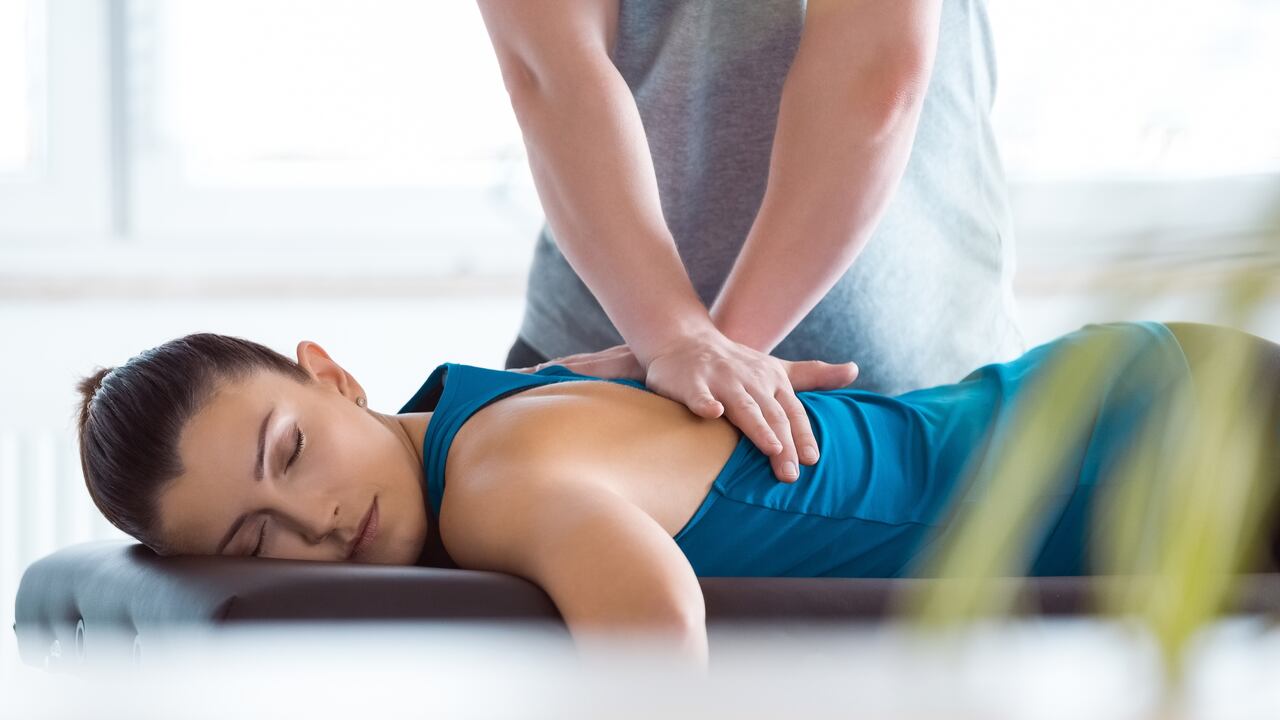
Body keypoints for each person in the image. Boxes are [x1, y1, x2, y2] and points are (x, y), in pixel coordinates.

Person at [74, 321, 1280, 667]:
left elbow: (652, 633)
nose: (315, 524)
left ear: (331, 374)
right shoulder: (490, 402)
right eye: (253, 537)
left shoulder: (495, 477)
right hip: (1115, 399)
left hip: (1142, 448)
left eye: (291, 455)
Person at [478, 0, 1025, 485]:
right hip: (609, 379)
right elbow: (550, 72)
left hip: (905, 393)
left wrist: (698, 365)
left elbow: (876, 77)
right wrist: (683, 352)